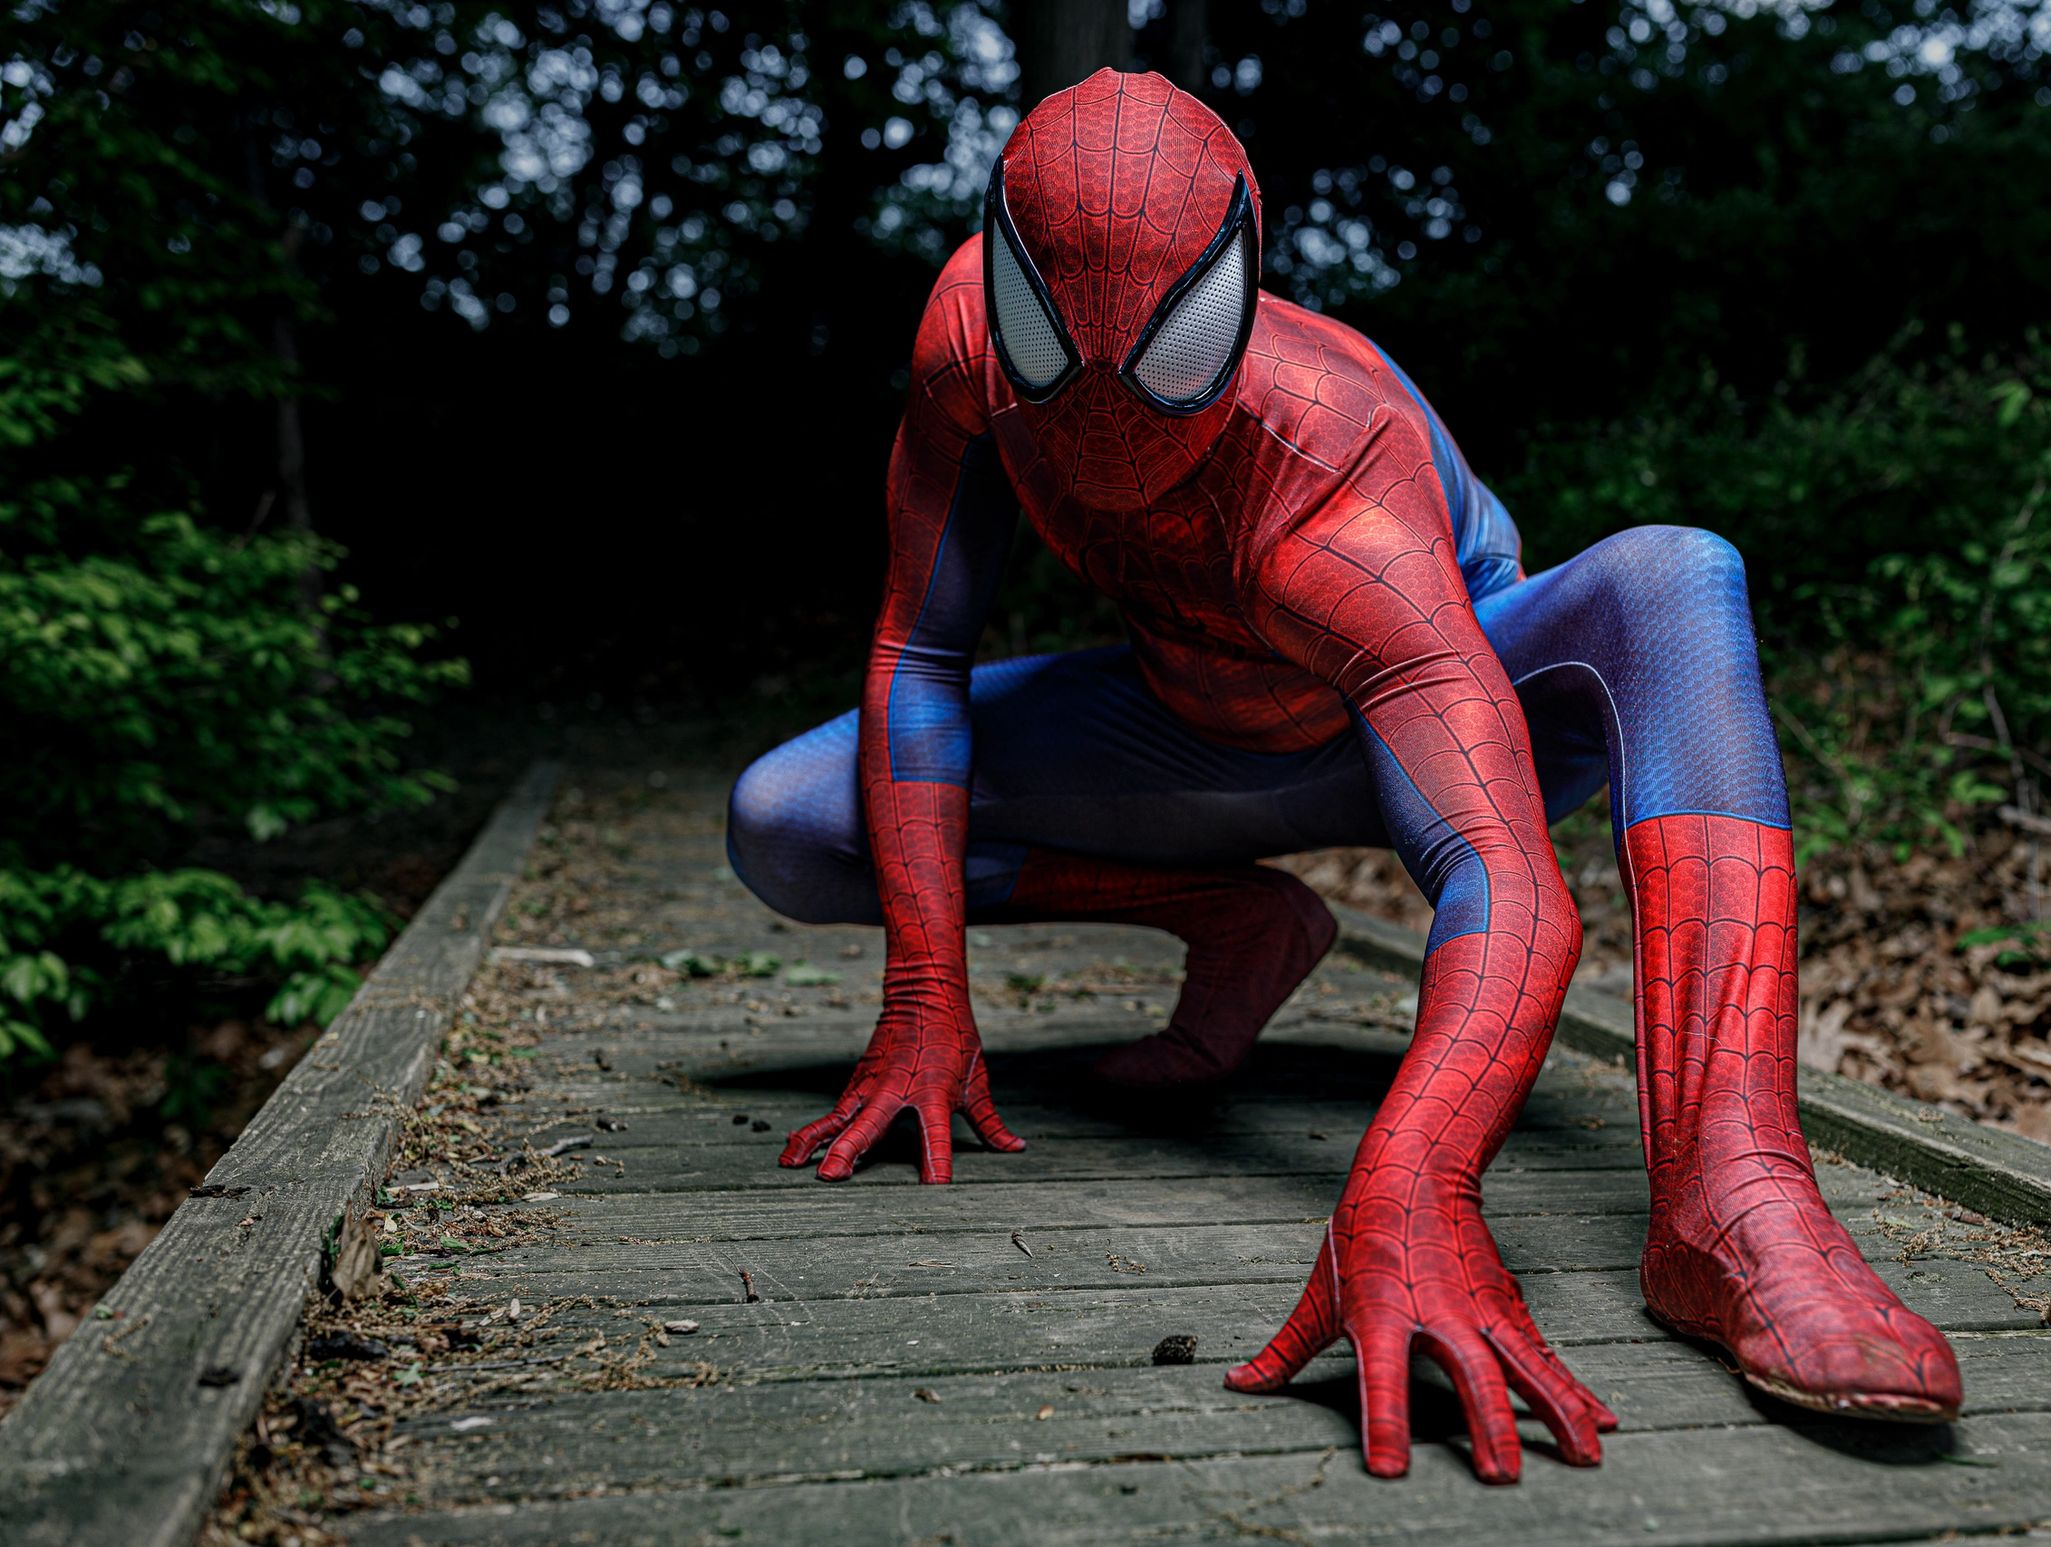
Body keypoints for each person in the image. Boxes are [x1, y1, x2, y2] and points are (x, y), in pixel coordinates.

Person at [729, 69, 1962, 1484]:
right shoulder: (964, 343)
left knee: (1677, 578)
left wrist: (1414, 1178)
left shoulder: (1335, 463)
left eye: (1165, 363)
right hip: (1192, 726)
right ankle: (1234, 915)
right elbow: (919, 651)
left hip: (1438, 712)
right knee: (786, 823)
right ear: (1006, 286)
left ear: (1241, 294)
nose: (1108, 434)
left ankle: (1729, 1195)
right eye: (1056, 365)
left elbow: (1507, 880)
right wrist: (924, 999)